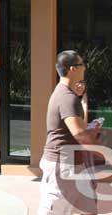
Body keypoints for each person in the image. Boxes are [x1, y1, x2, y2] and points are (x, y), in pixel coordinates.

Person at [38, 50, 101, 215]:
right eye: (82, 64)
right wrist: (94, 137)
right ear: (73, 69)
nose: (85, 67)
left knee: (89, 211)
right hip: (62, 165)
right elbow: (80, 135)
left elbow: (77, 130)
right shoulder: (67, 97)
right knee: (54, 211)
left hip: (74, 165)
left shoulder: (68, 95)